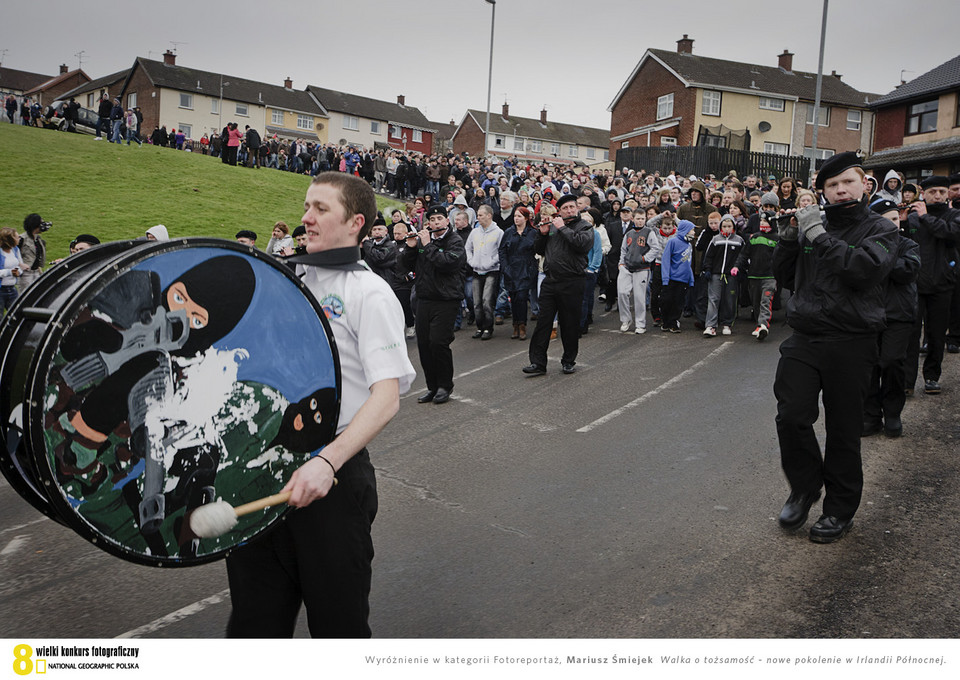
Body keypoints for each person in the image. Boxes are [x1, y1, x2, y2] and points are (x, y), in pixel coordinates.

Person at [225, 171, 415, 638]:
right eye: (306, 206)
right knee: (254, 625)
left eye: (320, 209)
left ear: (356, 224)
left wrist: (327, 463)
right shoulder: (289, 275)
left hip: (332, 475)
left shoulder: (370, 293)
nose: (305, 218)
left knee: (338, 629)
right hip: (263, 469)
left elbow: (386, 397)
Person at [772, 152, 898, 543]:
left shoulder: (882, 229)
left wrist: (819, 237)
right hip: (806, 337)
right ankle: (805, 487)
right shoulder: (814, 224)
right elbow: (783, 276)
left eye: (848, 182)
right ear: (823, 191)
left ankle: (840, 510)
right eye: (832, 185)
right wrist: (791, 238)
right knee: (792, 416)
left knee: (844, 430)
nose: (841, 190)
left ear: (865, 185)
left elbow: (863, 272)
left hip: (853, 341)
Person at [863, 198, 920, 438]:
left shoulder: (908, 245)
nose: (894, 225)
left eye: (896, 219)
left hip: (899, 314)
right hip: (868, 314)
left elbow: (908, 271)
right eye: (888, 221)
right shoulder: (866, 245)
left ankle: (893, 413)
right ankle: (871, 416)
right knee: (868, 367)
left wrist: (882, 258)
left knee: (892, 362)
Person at [522, 193, 594, 376]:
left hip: (572, 281)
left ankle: (568, 360)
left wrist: (562, 228)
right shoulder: (553, 226)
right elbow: (538, 249)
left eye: (572, 207)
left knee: (569, 324)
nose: (569, 210)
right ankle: (538, 363)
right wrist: (543, 234)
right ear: (559, 211)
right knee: (543, 322)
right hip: (550, 280)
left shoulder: (584, 226)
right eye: (565, 208)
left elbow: (582, 245)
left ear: (577, 209)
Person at [402, 205, 465, 404]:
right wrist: (411, 248)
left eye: (439, 218)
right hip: (424, 298)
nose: (435, 222)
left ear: (447, 220)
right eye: (432, 219)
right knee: (424, 345)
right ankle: (432, 386)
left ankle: (445, 386)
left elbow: (447, 263)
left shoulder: (455, 241)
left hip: (446, 299)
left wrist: (427, 245)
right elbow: (405, 265)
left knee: (438, 342)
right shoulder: (423, 241)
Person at [902, 175, 960, 395]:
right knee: (910, 336)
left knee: (936, 335)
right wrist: (904, 222)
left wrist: (925, 216)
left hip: (942, 284)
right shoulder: (914, 215)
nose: (938, 196)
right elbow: (904, 242)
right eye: (933, 192)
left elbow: (951, 233)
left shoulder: (954, 214)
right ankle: (908, 381)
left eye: (942, 192)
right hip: (915, 284)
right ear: (923, 193)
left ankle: (932, 377)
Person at [734, 212, 778, 341]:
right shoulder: (754, 238)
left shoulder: (776, 239)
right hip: (753, 276)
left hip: (769, 277)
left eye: (765, 221)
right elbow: (744, 254)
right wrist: (737, 266)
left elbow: (780, 259)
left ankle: (763, 325)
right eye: (761, 221)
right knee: (756, 302)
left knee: (766, 301)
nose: (762, 223)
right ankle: (760, 324)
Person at [617, 206, 660, 334]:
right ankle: (625, 319)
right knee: (622, 293)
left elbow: (655, 248)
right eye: (638, 218)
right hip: (627, 267)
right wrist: (621, 263)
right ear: (633, 218)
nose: (640, 221)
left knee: (639, 297)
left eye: (642, 218)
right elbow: (623, 249)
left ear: (645, 219)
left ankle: (640, 324)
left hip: (642, 268)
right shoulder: (629, 233)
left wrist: (644, 258)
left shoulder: (648, 232)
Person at [701, 214, 744, 337]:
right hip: (715, 274)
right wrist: (707, 269)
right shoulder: (715, 239)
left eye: (729, 226)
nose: (726, 229)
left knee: (729, 299)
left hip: (731, 275)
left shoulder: (739, 240)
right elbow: (708, 256)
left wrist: (739, 270)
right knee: (713, 299)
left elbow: (742, 257)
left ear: (734, 227)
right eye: (724, 226)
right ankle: (710, 325)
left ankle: (727, 323)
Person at [499, 206, 538, 340]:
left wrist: (533, 268)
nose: (516, 219)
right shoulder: (509, 232)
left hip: (526, 268)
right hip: (511, 269)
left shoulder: (533, 232)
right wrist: (505, 267)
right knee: (514, 298)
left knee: (522, 297)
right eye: (515, 216)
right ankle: (515, 324)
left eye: (520, 216)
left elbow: (537, 249)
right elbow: (502, 250)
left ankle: (522, 325)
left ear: (526, 218)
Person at [465, 205, 502, 340]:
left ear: (489, 215)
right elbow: (467, 248)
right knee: (477, 302)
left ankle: (488, 327)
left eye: (481, 215)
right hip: (476, 270)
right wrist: (472, 261)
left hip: (492, 271)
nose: (478, 217)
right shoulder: (475, 232)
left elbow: (501, 251)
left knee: (487, 300)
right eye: (478, 215)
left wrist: (491, 262)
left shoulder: (498, 232)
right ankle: (480, 327)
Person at [659, 217, 695, 333]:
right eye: (692, 230)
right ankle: (666, 321)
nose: (694, 232)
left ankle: (674, 322)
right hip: (671, 278)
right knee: (666, 301)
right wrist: (665, 278)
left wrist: (691, 279)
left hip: (683, 279)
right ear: (685, 230)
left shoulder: (689, 245)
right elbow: (665, 260)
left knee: (678, 302)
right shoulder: (673, 242)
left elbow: (688, 263)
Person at [17, 213, 47, 293]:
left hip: (36, 271)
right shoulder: (21, 239)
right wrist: (20, 265)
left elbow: (36, 255)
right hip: (26, 274)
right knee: (26, 296)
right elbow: (13, 255)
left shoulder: (38, 239)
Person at [0, 227, 24, 315]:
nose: (19, 238)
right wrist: (10, 272)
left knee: (16, 316)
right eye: (17, 237)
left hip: (12, 289)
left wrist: (19, 272)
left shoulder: (15, 250)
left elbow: (19, 265)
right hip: (1, 290)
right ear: (9, 239)